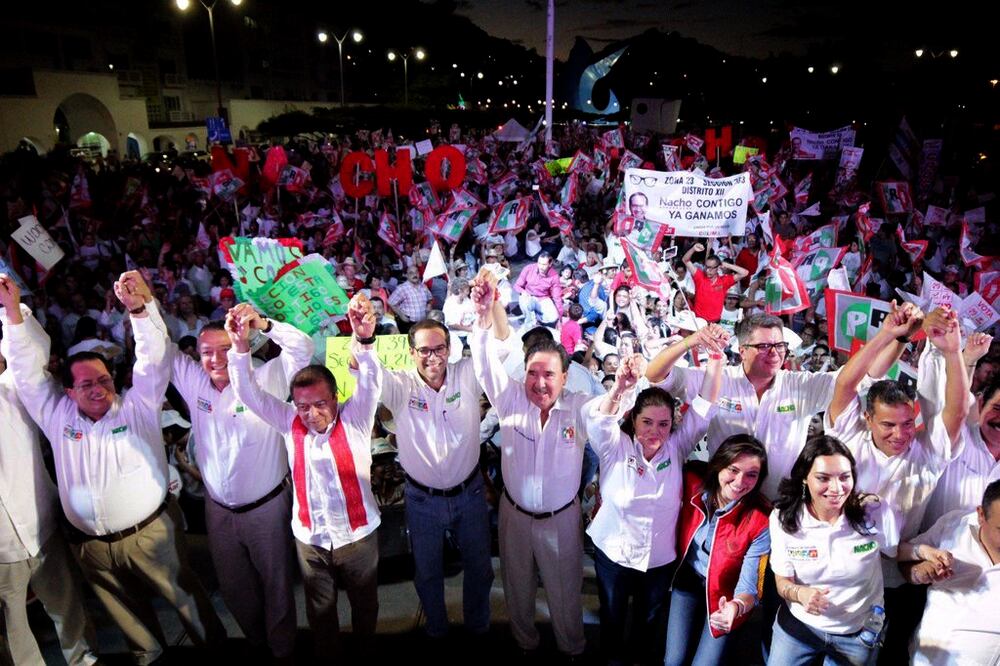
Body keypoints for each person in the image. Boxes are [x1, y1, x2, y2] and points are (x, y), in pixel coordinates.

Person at [0, 272, 224, 665]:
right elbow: (26, 373)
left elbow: (153, 358)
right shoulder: (56, 415)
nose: (97, 389)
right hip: (92, 549)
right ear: (68, 391)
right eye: (85, 384)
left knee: (190, 607)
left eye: (103, 380)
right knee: (134, 627)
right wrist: (13, 316)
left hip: (150, 536)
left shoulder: (139, 406)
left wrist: (139, 310)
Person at [138, 283, 312, 663]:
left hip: (267, 506)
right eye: (206, 352)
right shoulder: (194, 382)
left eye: (224, 348)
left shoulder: (266, 377)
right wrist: (143, 306)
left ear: (239, 343)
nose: (216, 359)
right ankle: (256, 643)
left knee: (276, 586)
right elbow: (159, 347)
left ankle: (283, 651)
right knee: (234, 589)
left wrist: (263, 324)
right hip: (218, 510)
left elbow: (303, 349)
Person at [226, 295, 382, 661]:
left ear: (336, 397)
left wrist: (364, 339)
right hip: (310, 541)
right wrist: (240, 346)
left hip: (358, 536)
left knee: (365, 607)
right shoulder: (287, 421)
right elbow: (247, 392)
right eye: (303, 406)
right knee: (320, 615)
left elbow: (371, 379)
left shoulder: (356, 417)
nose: (311, 414)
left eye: (320, 404)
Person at [825, 304, 967, 663]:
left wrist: (952, 353)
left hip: (892, 582)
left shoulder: (927, 454)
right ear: (867, 418)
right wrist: (889, 334)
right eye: (888, 425)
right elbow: (845, 384)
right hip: (836, 571)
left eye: (906, 424)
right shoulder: (849, 437)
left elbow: (957, 411)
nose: (900, 434)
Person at [469, 273, 589, 660]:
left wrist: (622, 387)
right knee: (517, 589)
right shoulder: (509, 400)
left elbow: (609, 412)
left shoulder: (579, 407)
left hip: (562, 519)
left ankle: (572, 649)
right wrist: (483, 315)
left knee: (565, 593)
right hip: (515, 516)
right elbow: (484, 365)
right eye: (532, 373)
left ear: (565, 377)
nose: (539, 383)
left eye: (549, 374)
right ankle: (524, 646)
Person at [585, 341, 724, 665]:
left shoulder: (677, 446)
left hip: (659, 560)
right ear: (634, 419)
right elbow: (601, 420)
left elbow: (705, 404)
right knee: (612, 621)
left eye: (663, 424)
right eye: (647, 422)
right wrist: (619, 388)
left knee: (648, 625)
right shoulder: (614, 445)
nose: (655, 432)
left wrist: (716, 355)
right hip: (614, 555)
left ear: (672, 423)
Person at [375, 315, 505, 642]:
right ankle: (436, 630)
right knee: (427, 572)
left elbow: (501, 348)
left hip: (470, 495)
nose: (433, 357)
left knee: (480, 568)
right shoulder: (400, 386)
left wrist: (485, 314)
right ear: (411, 352)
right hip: (422, 501)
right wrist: (363, 340)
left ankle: (478, 628)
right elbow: (368, 373)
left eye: (439, 349)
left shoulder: (467, 375)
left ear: (449, 349)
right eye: (424, 350)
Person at [0, 323, 99, 665]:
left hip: (42, 527)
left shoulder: (12, 390)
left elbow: (31, 352)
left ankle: (85, 662)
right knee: (13, 629)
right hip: (2, 550)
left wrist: (13, 314)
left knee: (67, 607)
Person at [768, 436, 900, 666]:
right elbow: (782, 582)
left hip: (857, 633)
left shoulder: (873, 511)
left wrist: (923, 553)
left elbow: (895, 551)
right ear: (805, 478)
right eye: (823, 478)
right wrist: (800, 594)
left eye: (844, 477)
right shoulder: (784, 518)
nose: (836, 488)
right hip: (799, 628)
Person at [667, 435, 771, 666]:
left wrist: (736, 606)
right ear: (718, 466)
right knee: (674, 660)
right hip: (687, 580)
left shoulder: (760, 520)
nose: (740, 481)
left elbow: (751, 585)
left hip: (726, 595)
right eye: (733, 470)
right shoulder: (693, 484)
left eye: (751, 474)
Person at [901, 479, 1000, 665]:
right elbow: (903, 560)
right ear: (981, 515)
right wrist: (918, 572)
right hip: (918, 659)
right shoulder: (954, 524)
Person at [682, 244, 749, 323]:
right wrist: (693, 248)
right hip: (699, 321)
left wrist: (728, 265)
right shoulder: (699, 276)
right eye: (707, 267)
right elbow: (685, 260)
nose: (708, 270)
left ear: (718, 268)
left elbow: (745, 273)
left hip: (715, 322)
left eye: (711, 268)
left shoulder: (724, 281)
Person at [514, 251, 563, 326]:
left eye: (544, 264)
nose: (540, 267)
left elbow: (557, 297)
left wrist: (560, 318)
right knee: (524, 301)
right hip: (528, 296)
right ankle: (530, 321)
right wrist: (523, 292)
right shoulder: (528, 268)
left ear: (550, 264)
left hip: (543, 298)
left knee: (553, 318)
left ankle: (536, 317)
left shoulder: (554, 276)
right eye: (539, 263)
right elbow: (517, 285)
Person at [389, 265, 433, 332]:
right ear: (406, 275)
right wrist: (401, 315)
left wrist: (429, 305)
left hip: (423, 323)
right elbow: (390, 302)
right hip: (409, 324)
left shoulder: (423, 286)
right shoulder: (402, 288)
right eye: (411, 273)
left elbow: (430, 299)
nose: (414, 275)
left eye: (416, 272)